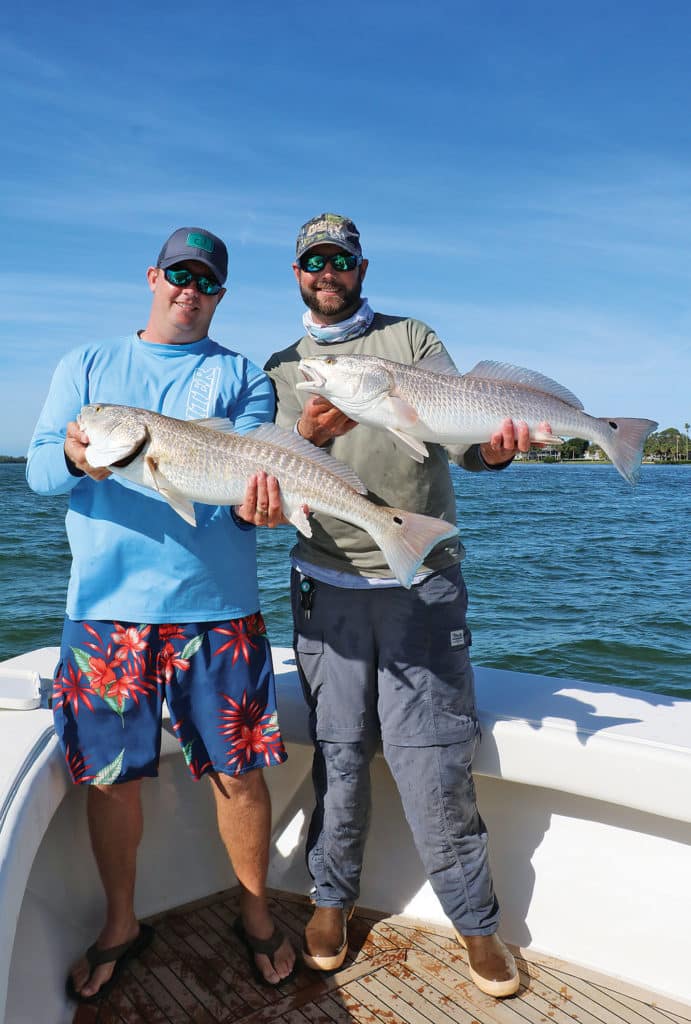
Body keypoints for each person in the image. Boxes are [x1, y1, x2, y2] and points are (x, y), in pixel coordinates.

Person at [265, 213, 548, 999]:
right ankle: (330, 902)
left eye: (339, 259)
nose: (326, 271)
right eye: (312, 260)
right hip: (328, 580)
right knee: (340, 753)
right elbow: (271, 472)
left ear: (360, 266)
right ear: (296, 272)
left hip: (421, 577)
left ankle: (476, 922)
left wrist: (492, 449)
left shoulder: (413, 341)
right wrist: (312, 440)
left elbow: (462, 437)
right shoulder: (283, 366)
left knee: (434, 760)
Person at [27, 227, 295, 1002]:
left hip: (220, 613)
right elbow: (44, 471)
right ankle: (120, 924)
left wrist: (264, 509)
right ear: (153, 276)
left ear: (220, 293)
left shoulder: (243, 377)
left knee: (239, 776)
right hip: (106, 613)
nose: (190, 288)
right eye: (179, 273)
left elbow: (242, 498)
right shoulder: (86, 367)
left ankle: (254, 912)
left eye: (206, 280)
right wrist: (78, 457)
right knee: (111, 780)